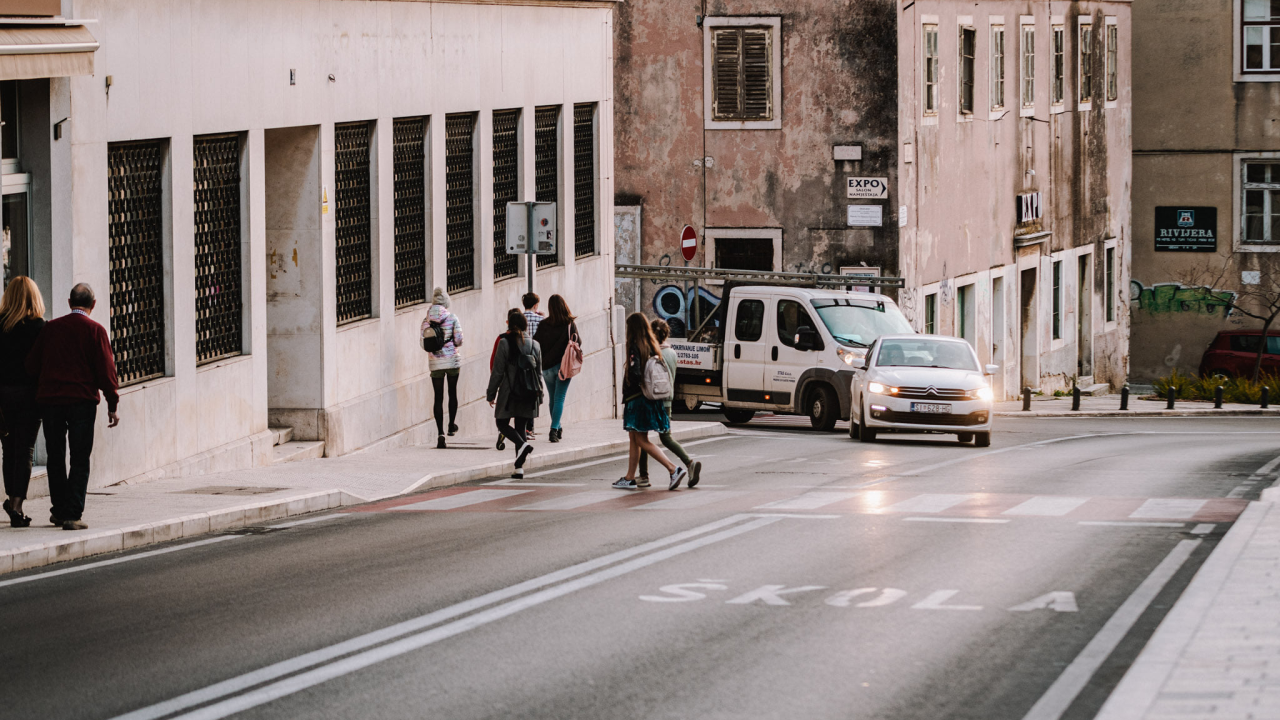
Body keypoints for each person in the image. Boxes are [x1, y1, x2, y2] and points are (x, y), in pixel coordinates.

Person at [25, 283, 119, 531]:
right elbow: (106, 371)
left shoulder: (51, 329)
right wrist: (112, 403)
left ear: (69, 302)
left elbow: (32, 365)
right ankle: (73, 514)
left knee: (55, 457)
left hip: (51, 402)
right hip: (82, 403)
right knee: (80, 458)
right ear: (94, 304)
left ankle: (58, 510)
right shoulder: (96, 331)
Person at [613, 312, 686, 491]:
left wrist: (632, 383)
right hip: (649, 399)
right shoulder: (653, 345)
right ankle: (630, 477)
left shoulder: (635, 346)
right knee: (634, 437)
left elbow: (636, 372)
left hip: (637, 400)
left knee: (641, 439)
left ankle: (673, 469)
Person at [0, 277, 45, 527]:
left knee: (9, 449)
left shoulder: (0, 325)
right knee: (25, 450)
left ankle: (10, 499)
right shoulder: (40, 327)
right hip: (30, 395)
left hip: (3, 395)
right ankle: (16, 505)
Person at [638, 318, 699, 488]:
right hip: (667, 401)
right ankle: (689, 462)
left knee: (641, 436)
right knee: (666, 437)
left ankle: (643, 476)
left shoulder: (650, 353)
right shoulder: (672, 353)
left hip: (651, 401)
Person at [487, 309, 543, 479]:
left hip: (509, 392)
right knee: (521, 426)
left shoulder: (504, 343)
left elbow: (497, 372)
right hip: (529, 392)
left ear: (510, 325)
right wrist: (540, 395)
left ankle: (521, 444)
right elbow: (538, 373)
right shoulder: (535, 345)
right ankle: (519, 468)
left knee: (501, 423)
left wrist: (491, 394)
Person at [532, 294, 578, 443]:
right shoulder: (569, 324)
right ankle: (553, 429)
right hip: (564, 367)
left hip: (546, 368)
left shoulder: (544, 324)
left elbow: (536, 344)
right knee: (559, 398)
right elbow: (579, 341)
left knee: (553, 398)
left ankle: (557, 426)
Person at [425, 287, 464, 449]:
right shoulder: (452, 318)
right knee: (452, 392)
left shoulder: (426, 321)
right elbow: (459, 339)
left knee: (438, 397)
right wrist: (452, 344)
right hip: (452, 361)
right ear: (446, 302)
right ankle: (451, 425)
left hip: (435, 363)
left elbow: (423, 343)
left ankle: (440, 432)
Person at [522, 292, 543, 439]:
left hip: (520, 358)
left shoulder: (518, 318)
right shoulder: (540, 319)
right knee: (533, 391)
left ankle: (523, 426)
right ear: (536, 305)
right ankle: (530, 427)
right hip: (535, 360)